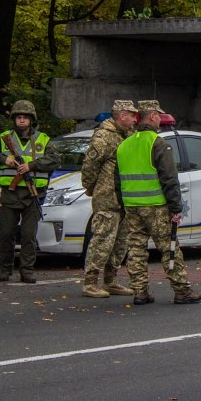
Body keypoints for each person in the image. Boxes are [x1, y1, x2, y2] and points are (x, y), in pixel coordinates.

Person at [115, 100, 201, 305]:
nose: (160, 120)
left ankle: (140, 291)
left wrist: (124, 204)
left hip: (132, 206)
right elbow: (169, 178)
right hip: (155, 205)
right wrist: (175, 207)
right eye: (159, 116)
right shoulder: (157, 143)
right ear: (153, 116)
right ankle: (181, 290)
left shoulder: (124, 145)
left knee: (136, 249)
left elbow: (117, 179)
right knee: (169, 247)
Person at [0, 100, 60, 283]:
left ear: (31, 120)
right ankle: (5, 269)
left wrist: (31, 165)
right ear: (14, 120)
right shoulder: (4, 138)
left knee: (28, 235)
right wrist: (4, 159)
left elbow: (55, 160)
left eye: (25, 117)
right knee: (7, 233)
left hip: (33, 194)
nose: (22, 120)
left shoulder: (43, 139)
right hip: (10, 193)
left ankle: (27, 270)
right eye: (19, 117)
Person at [80, 100, 139, 298]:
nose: (134, 118)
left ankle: (110, 280)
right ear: (122, 116)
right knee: (102, 240)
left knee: (120, 242)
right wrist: (90, 187)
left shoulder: (129, 135)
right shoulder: (104, 136)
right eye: (132, 114)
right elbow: (90, 165)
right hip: (107, 197)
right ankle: (90, 282)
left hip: (125, 198)